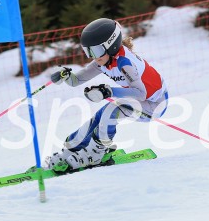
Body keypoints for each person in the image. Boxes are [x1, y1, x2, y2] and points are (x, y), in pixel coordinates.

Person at [44, 18, 168, 171]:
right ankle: (73, 149)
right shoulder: (103, 60)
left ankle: (95, 153)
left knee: (112, 110)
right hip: (140, 100)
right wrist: (66, 77)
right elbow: (77, 80)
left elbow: (141, 94)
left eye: (95, 51)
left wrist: (110, 91)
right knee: (99, 116)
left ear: (111, 45)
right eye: (88, 51)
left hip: (154, 105)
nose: (94, 57)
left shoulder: (124, 63)